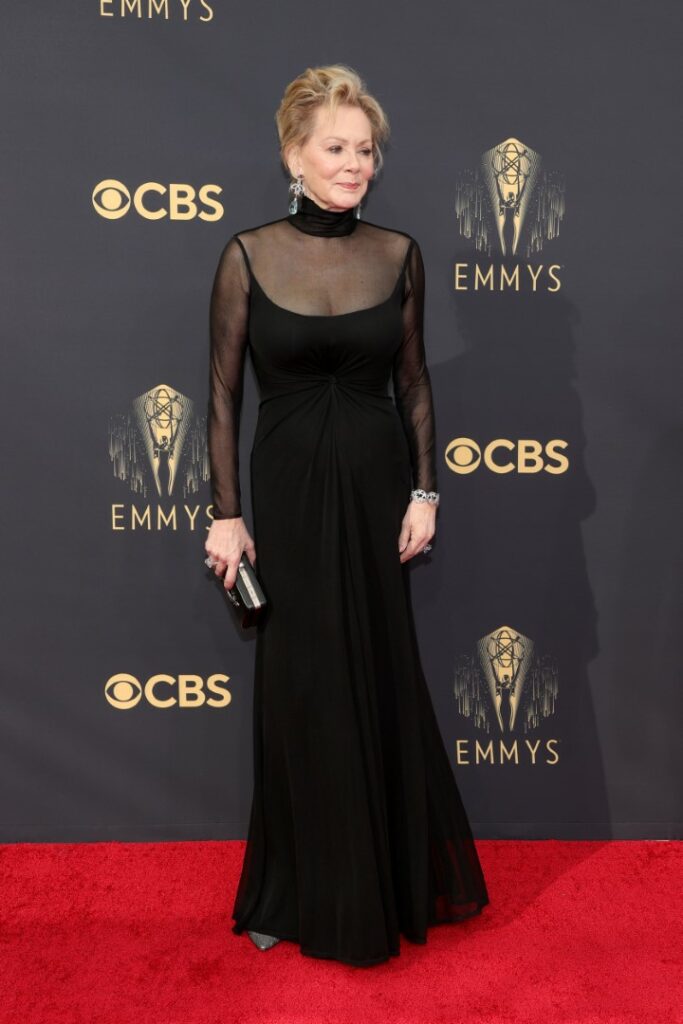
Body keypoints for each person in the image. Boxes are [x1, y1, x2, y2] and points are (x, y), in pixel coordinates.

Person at [204, 64, 489, 967]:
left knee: (376, 671)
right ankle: (298, 887)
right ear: (294, 153)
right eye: (336, 148)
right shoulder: (246, 255)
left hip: (375, 494)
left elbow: (412, 382)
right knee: (301, 687)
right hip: (285, 493)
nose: (354, 164)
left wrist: (425, 490)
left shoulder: (399, 253)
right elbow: (218, 395)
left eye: (365, 150)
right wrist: (225, 516)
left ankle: (390, 881)